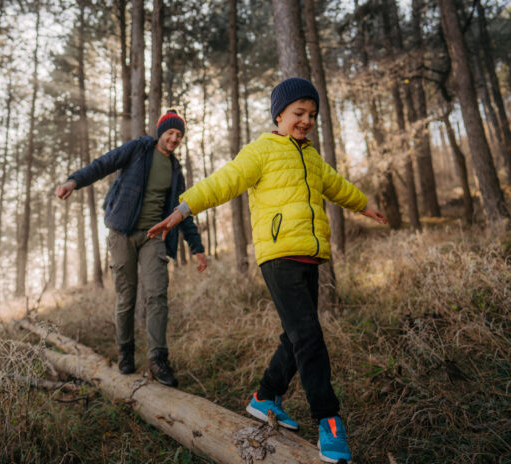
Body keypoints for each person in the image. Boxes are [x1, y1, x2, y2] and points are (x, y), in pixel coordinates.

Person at [147, 78, 387, 463]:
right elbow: (222, 182)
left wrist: (363, 206)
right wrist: (180, 211)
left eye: (312, 115)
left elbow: (336, 186)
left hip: (310, 255)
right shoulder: (261, 151)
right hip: (279, 256)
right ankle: (329, 418)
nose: (306, 120)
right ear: (279, 114)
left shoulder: (311, 156)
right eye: (298, 113)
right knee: (309, 335)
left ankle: (264, 397)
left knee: (296, 336)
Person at [55, 109, 207, 388]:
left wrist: (197, 247)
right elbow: (104, 164)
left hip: (154, 237)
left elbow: (182, 211)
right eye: (170, 132)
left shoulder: (175, 171)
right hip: (122, 233)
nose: (174, 138)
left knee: (157, 294)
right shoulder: (139, 149)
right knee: (126, 297)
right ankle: (125, 351)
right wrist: (73, 181)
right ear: (160, 132)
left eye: (179, 135)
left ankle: (158, 359)